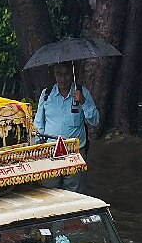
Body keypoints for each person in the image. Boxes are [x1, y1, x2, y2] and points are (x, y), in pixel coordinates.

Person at [33, 62, 100, 193]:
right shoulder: (46, 95)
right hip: (50, 152)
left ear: (72, 74)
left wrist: (83, 102)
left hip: (75, 152)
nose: (63, 79)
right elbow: (38, 126)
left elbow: (95, 120)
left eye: (66, 74)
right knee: (49, 193)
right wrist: (35, 151)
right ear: (54, 75)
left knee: (75, 195)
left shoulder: (82, 92)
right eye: (59, 74)